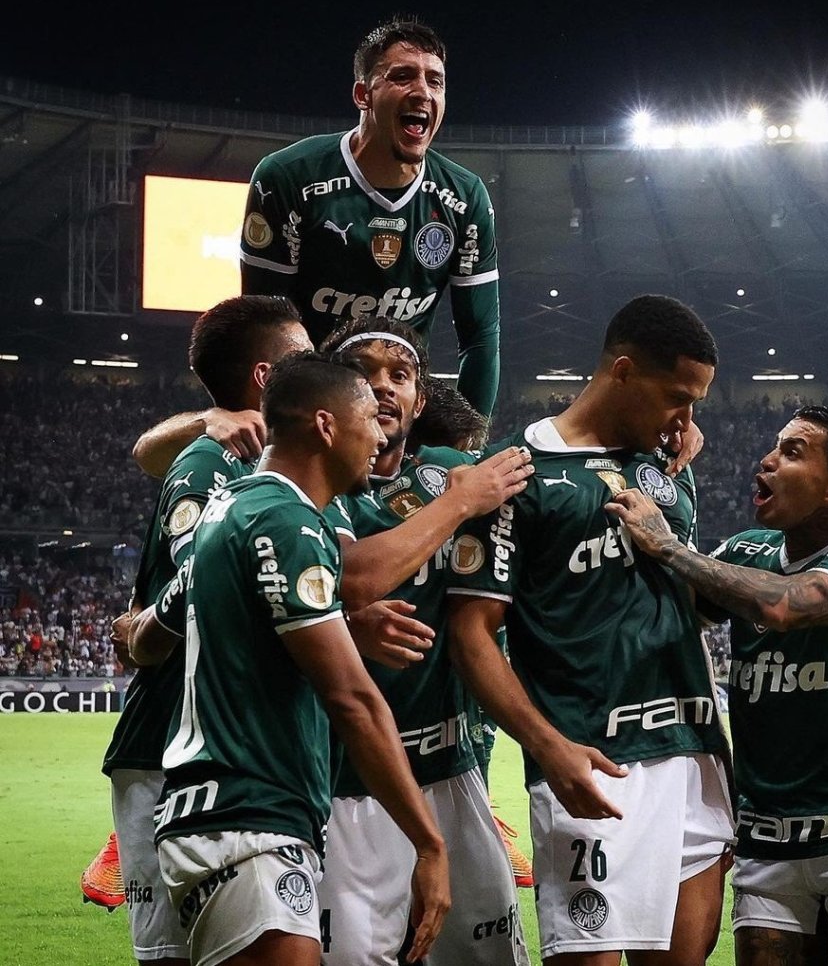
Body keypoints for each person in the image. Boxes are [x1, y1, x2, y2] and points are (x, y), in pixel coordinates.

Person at [128, 351, 451, 966]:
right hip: (248, 817)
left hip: (217, 815)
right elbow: (352, 700)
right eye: (368, 419)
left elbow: (147, 638)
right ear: (326, 426)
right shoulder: (287, 521)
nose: (380, 436)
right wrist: (430, 845)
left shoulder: (230, 508)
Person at [446, 294, 736, 966]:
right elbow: (471, 634)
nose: (686, 421)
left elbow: (686, 606)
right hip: (591, 760)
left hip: (690, 750)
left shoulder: (668, 473)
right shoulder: (515, 474)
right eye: (678, 398)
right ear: (624, 371)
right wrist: (547, 747)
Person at [606, 404, 828, 965]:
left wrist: (669, 546)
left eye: (792, 452)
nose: (768, 460)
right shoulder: (747, 550)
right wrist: (660, 467)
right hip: (767, 845)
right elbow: (668, 611)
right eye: (775, 445)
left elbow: (787, 605)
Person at [85, 294, 312, 963]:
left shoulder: (281, 464)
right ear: (266, 376)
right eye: (302, 356)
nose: (319, 366)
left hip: (235, 752)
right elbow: (205, 594)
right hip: (170, 748)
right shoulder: (212, 461)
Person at [316, 316, 531, 966]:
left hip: (447, 772)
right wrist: (459, 505)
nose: (384, 386)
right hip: (348, 785)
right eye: (363, 373)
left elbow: (543, 471)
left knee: (489, 957)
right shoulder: (311, 485)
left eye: (401, 375)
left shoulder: (449, 470)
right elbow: (353, 575)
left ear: (418, 401)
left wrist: (662, 451)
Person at [239, 15, 500, 418]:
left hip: (398, 415)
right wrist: (270, 422)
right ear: (363, 94)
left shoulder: (465, 198)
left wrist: (470, 441)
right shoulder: (288, 177)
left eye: (435, 81)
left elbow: (480, 337)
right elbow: (264, 329)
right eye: (403, 76)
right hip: (310, 413)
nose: (423, 92)